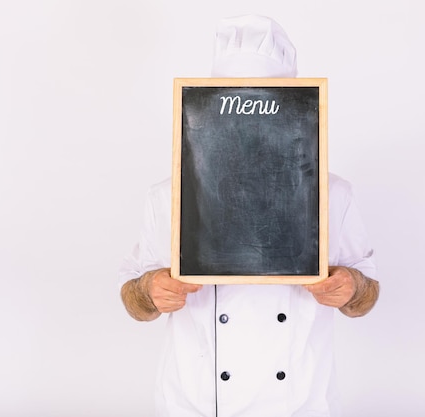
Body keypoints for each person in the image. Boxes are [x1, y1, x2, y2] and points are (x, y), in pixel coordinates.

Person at [119, 14, 380, 417]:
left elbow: (366, 295)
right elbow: (133, 299)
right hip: (196, 404)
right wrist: (150, 290)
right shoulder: (170, 195)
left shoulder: (332, 194)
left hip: (300, 405)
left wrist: (352, 287)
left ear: (294, 113)